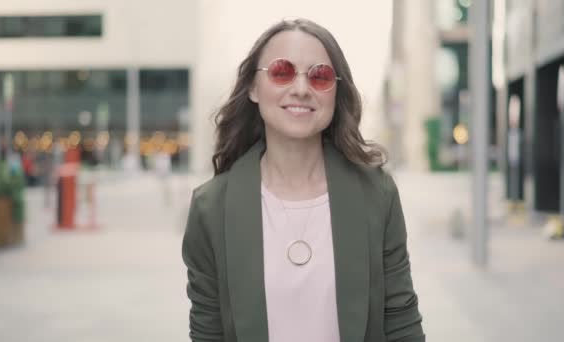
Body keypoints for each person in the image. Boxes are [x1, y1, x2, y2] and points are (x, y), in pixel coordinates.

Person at [182, 18, 424, 342]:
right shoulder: (211, 207)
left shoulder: (377, 195)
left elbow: (401, 323)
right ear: (253, 87)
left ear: (336, 92)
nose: (300, 89)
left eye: (320, 76)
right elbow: (207, 333)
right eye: (282, 71)